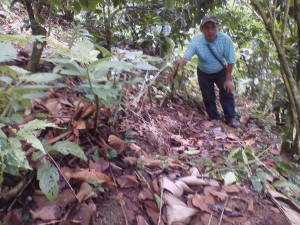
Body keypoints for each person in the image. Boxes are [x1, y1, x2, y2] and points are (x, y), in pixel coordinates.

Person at [170, 13, 240, 128]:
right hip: (204, 72)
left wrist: (228, 79)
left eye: (213, 27)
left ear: (218, 28)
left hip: (221, 71)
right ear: (202, 29)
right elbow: (185, 58)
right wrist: (174, 72)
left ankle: (231, 117)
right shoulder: (196, 42)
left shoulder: (225, 40)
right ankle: (214, 117)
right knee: (208, 96)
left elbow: (231, 61)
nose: (210, 30)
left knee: (226, 93)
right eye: (206, 27)